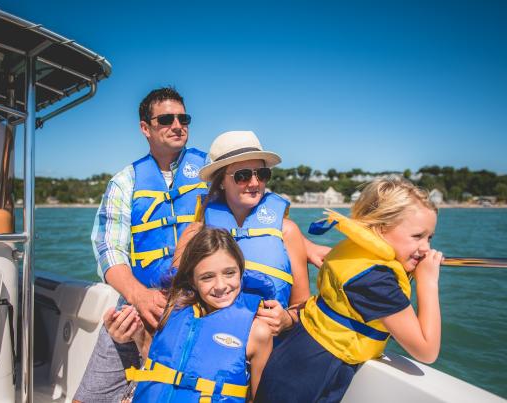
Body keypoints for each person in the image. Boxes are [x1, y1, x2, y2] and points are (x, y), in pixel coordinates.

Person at [75, 88, 328, 402]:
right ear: (145, 128)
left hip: (220, 317)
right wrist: (138, 297)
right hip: (147, 301)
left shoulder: (210, 170)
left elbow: (256, 215)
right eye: (166, 119)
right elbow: (108, 248)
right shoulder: (125, 181)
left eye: (184, 118)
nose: (177, 124)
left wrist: (305, 246)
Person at [255, 177, 443, 402]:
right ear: (381, 228)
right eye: (417, 236)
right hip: (310, 373)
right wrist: (428, 281)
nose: (426, 248)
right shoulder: (375, 280)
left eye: (429, 238)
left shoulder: (359, 255)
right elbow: (426, 350)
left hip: (297, 354)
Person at [174, 130, 311, 336]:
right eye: (243, 176)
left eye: (262, 174)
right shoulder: (195, 234)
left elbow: (302, 305)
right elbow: (176, 299)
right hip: (212, 344)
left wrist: (286, 319)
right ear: (221, 181)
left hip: (271, 348)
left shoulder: (288, 231)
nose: (255, 183)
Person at [125, 226, 273, 402]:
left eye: (229, 273)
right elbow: (160, 363)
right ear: (192, 281)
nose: (220, 285)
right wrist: (138, 336)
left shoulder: (257, 332)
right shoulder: (173, 308)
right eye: (207, 277)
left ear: (241, 272)